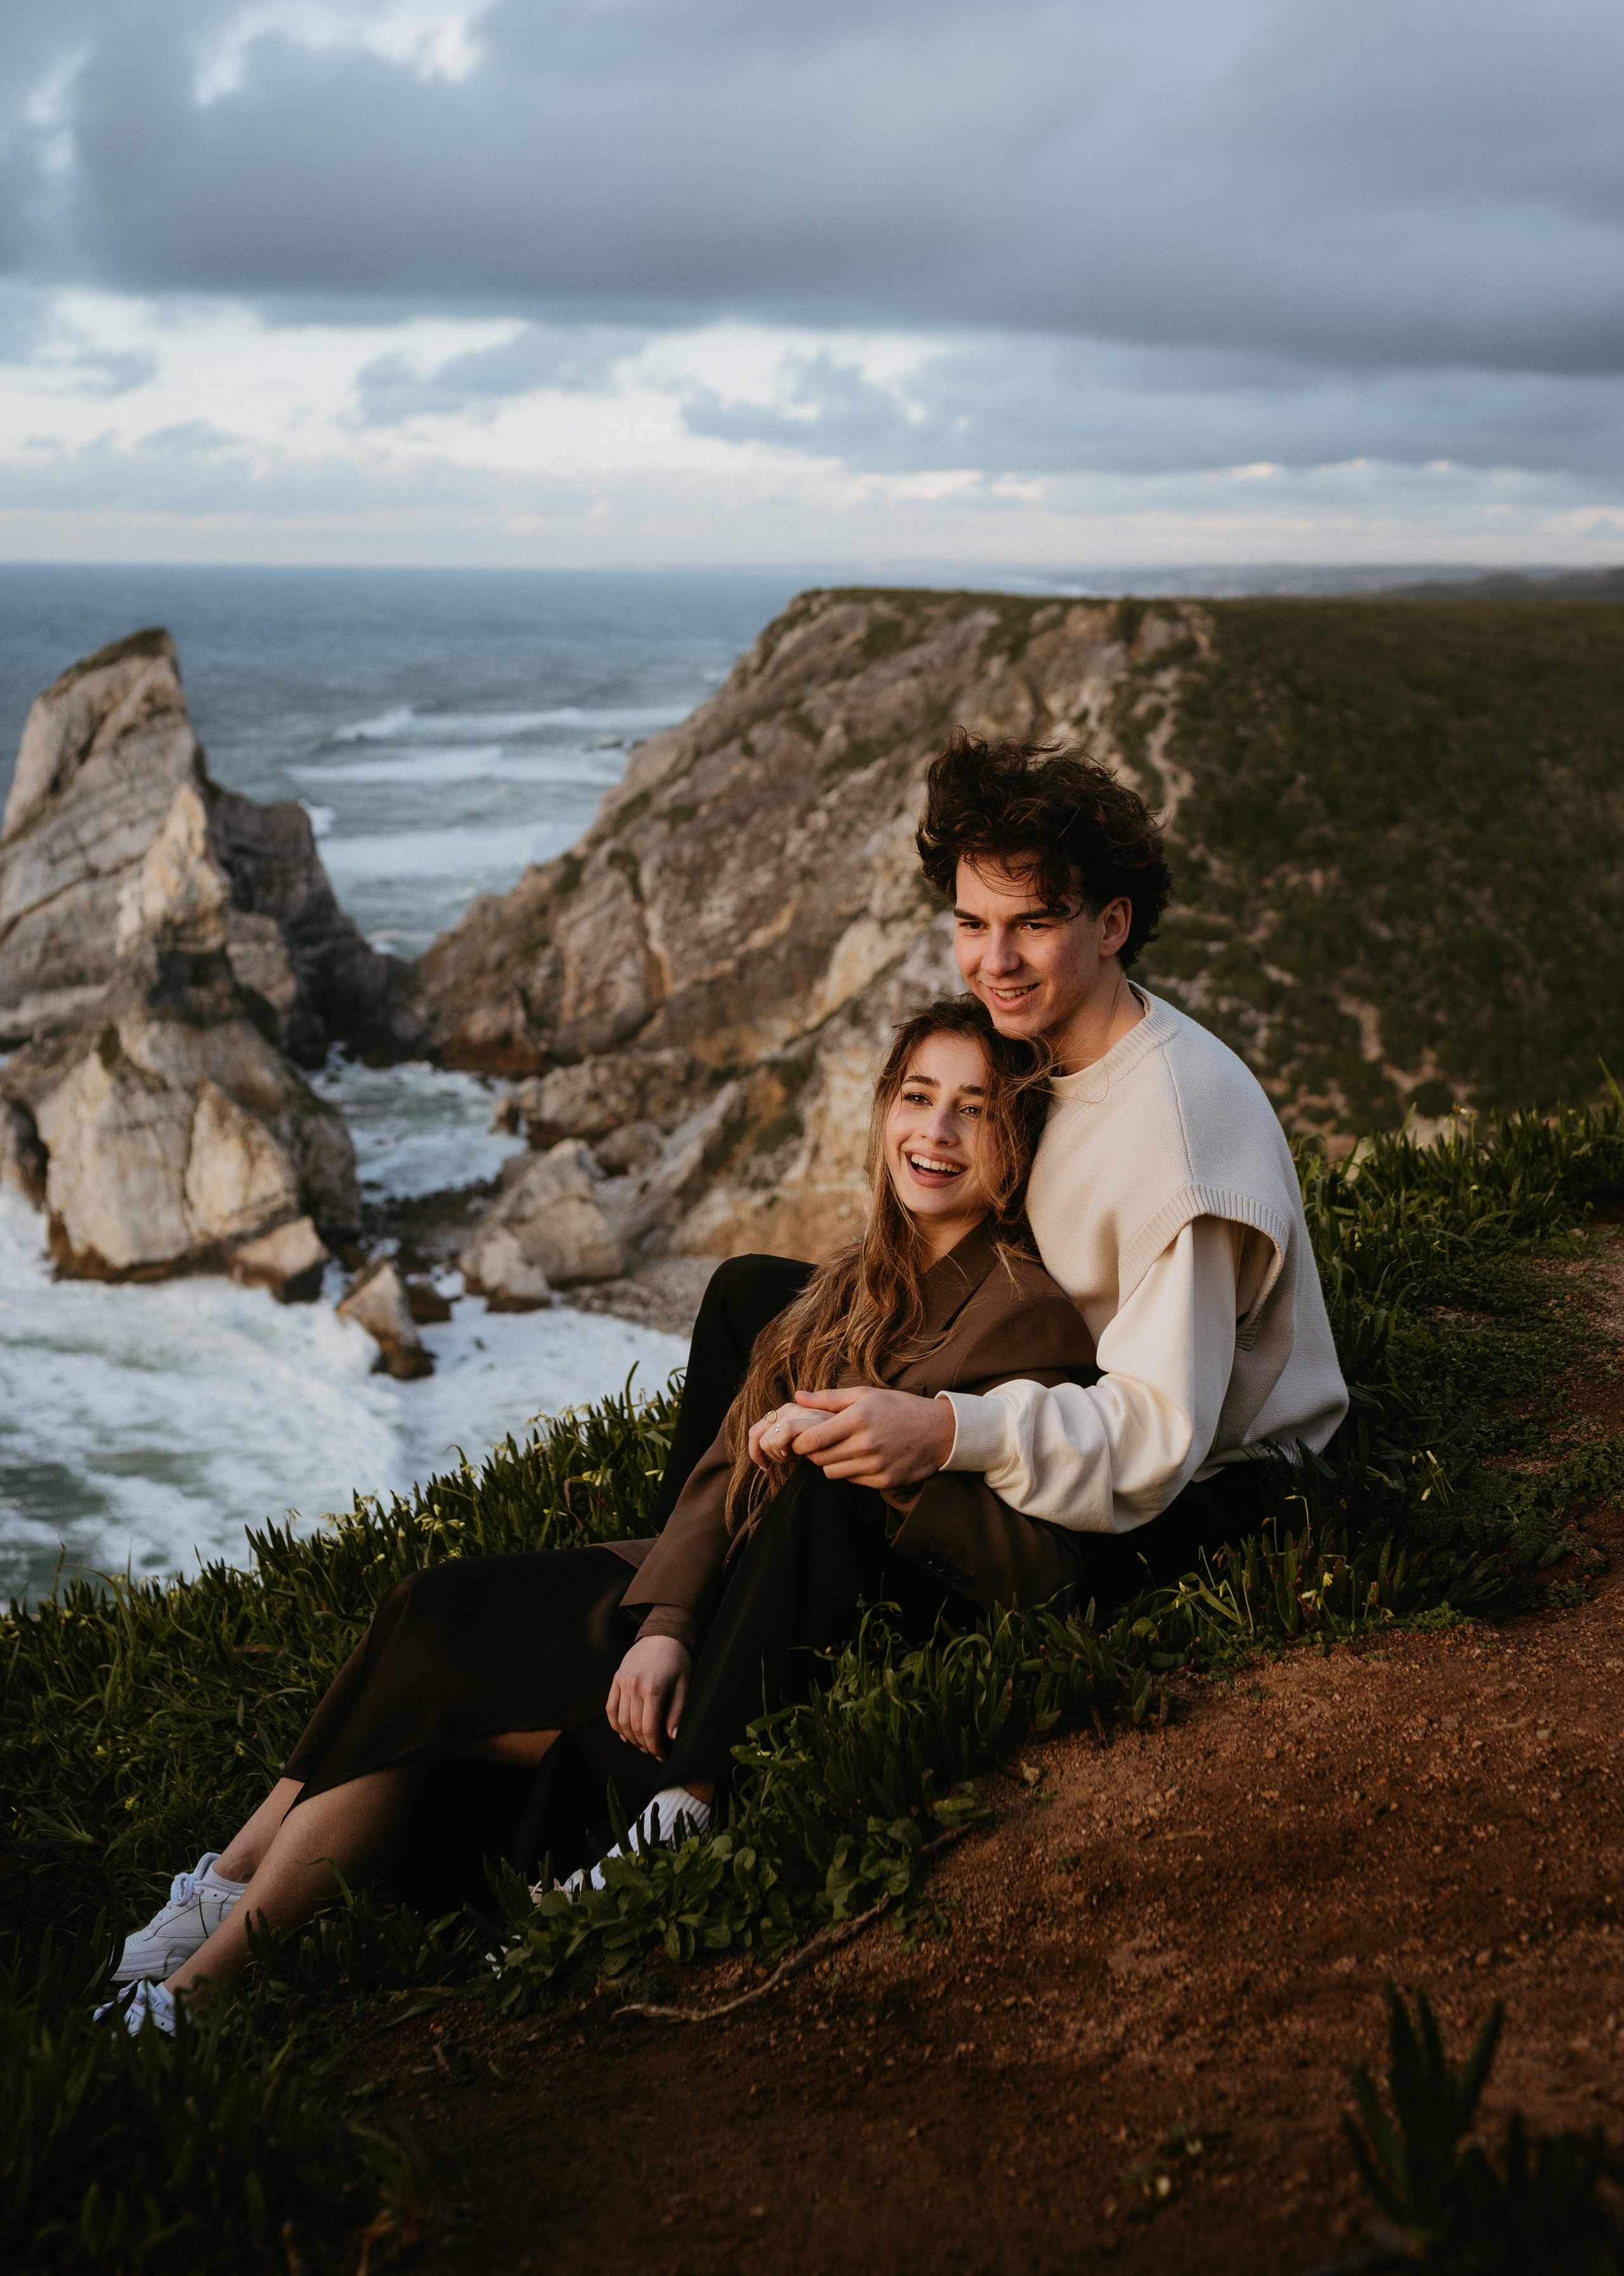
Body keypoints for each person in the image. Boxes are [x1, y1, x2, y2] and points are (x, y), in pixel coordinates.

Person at [106, 995, 1117, 2036]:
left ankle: (202, 1979)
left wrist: (890, 1462)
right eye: (917, 1098)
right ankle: (223, 1902)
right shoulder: (851, 1282)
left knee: (435, 1670)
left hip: (804, 1655)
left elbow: (1041, 1562)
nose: (936, 1134)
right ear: (883, 1113)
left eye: (976, 1110)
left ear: (1015, 1143)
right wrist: (668, 1626)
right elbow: (724, 1467)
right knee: (425, 1611)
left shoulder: (1024, 1310)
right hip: (711, 1612)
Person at [658, 728, 1347, 1576]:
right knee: (748, 1299)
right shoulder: (1039, 1041)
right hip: (1047, 1369)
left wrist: (946, 1428)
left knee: (837, 1478)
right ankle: (666, 1583)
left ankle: (726, 1657)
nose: (996, 962)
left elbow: (1159, 1435)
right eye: (972, 924)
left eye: (1033, 923)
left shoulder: (1178, 1140)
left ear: (1112, 924)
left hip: (1209, 1487)